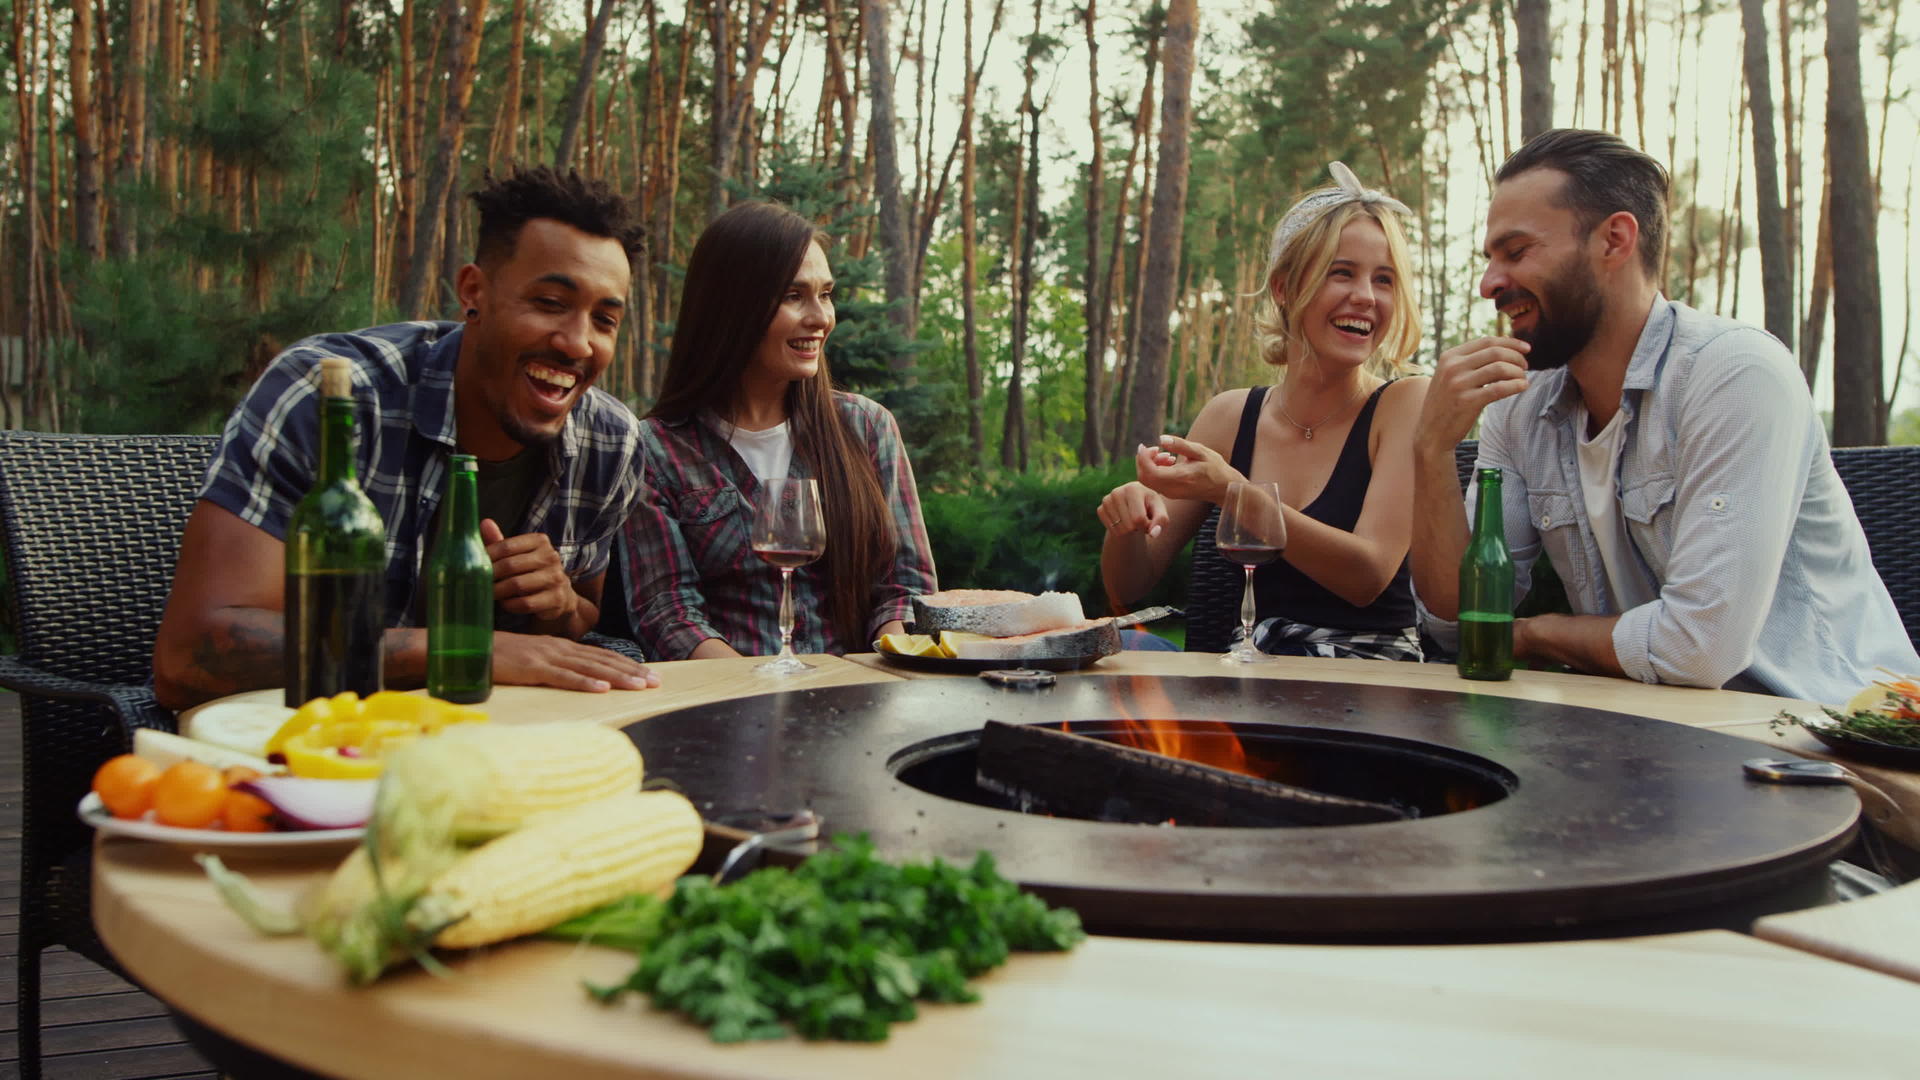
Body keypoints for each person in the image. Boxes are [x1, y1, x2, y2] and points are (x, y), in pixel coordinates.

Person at [1410, 128, 1920, 702]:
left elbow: (1699, 647)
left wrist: (1532, 634)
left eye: (1517, 251)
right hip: (1655, 728)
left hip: (1830, 731)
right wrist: (1430, 451)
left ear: (1615, 240)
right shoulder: (1519, 405)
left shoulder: (1734, 373)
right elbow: (1460, 622)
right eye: (1490, 259)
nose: (1489, 283)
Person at [153, 166, 661, 710]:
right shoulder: (330, 397)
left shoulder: (610, 443)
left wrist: (558, 609)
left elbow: (583, 616)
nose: (578, 344)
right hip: (310, 749)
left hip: (502, 753)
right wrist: (457, 650)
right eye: (550, 304)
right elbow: (187, 659)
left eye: (604, 320)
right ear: (474, 292)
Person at [1098, 163, 1431, 659]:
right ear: (1284, 287)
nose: (1365, 297)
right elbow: (1131, 587)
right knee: (1119, 647)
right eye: (1342, 273)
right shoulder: (1229, 416)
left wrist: (1229, 490)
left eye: (1384, 280)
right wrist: (1126, 525)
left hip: (1371, 678)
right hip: (1252, 673)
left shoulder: (1405, 403)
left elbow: (1368, 575)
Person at [623, 200, 938, 659]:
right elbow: (668, 612)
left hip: (859, 701)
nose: (821, 318)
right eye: (794, 296)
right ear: (730, 307)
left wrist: (878, 672)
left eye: (826, 294)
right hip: (724, 708)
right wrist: (755, 694)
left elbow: (903, 585)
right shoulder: (656, 449)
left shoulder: (867, 427)